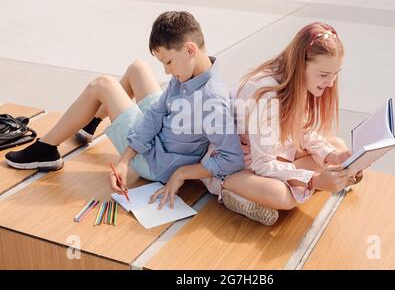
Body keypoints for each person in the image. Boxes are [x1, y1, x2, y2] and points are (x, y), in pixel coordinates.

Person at [6, 11, 244, 209]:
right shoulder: (189, 75)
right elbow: (156, 114)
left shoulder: (211, 100)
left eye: (168, 62)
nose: (167, 72)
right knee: (138, 68)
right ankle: (91, 120)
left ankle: (46, 150)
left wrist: (181, 173)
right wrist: (123, 159)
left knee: (102, 85)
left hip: (155, 162)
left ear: (190, 50)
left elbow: (232, 159)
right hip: (160, 135)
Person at [201, 22, 363, 225]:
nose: (330, 83)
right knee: (281, 196)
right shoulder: (265, 94)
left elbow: (303, 131)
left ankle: (280, 185)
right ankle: (230, 187)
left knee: (337, 147)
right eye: (324, 75)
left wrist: (333, 156)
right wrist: (314, 180)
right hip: (241, 163)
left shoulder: (300, 81)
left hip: (275, 149)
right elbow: (262, 163)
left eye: (335, 74)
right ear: (300, 64)